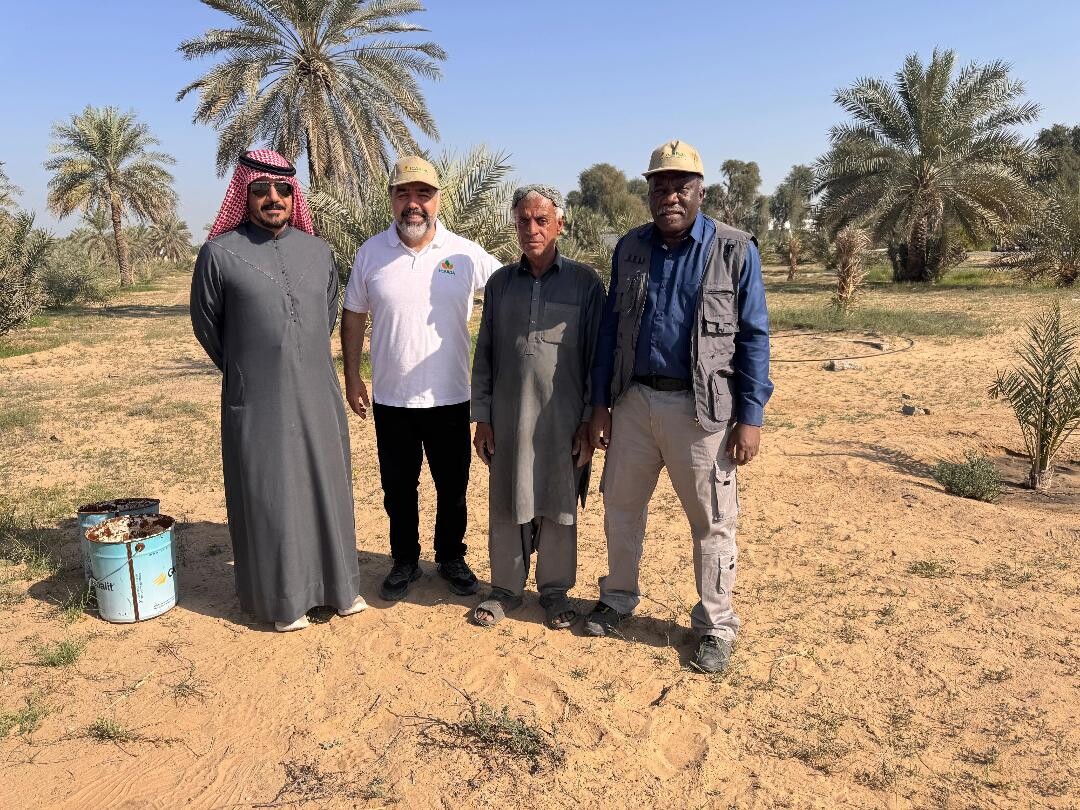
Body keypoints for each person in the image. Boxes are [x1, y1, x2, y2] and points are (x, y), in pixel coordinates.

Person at [586, 140, 773, 673]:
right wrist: (600, 405)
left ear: (700, 192)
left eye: (681, 187)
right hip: (633, 403)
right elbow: (610, 331)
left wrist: (750, 417)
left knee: (713, 521)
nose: (670, 196)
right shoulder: (630, 248)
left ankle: (715, 624)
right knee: (621, 508)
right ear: (649, 192)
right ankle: (617, 598)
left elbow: (754, 337)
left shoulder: (734, 249)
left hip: (703, 411)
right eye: (660, 186)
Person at [190, 149, 365, 632]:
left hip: (318, 393)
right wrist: (250, 368)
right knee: (271, 494)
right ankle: (284, 600)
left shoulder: (320, 252)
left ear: (294, 195)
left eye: (283, 189)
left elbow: (326, 315)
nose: (273, 198)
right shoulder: (218, 254)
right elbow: (208, 326)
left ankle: (339, 589)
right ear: (244, 194)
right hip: (257, 398)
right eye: (261, 189)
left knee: (327, 487)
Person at [341, 156, 501, 601]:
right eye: (404, 193)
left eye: (423, 194)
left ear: (438, 200)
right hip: (392, 399)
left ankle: (451, 556)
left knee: (453, 487)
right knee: (398, 489)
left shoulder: (464, 254)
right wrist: (352, 377)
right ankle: (405, 561)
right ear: (392, 199)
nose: (414, 204)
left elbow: (511, 287)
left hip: (451, 397)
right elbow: (353, 314)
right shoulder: (371, 253)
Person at [470, 185, 604, 629]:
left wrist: (589, 419)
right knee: (507, 497)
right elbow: (486, 353)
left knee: (559, 498)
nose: (532, 228)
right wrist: (483, 417)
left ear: (559, 224)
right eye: (523, 220)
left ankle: (554, 591)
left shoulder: (585, 283)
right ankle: (505, 589)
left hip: (563, 419)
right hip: (509, 418)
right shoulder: (500, 284)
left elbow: (597, 358)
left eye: (541, 220)